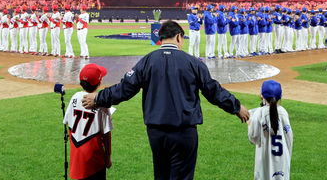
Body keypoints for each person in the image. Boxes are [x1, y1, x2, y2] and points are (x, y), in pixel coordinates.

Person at [82, 20, 249, 180]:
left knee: (161, 176)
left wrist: (98, 97)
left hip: (157, 132)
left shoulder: (147, 61)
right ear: (178, 37)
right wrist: (236, 107)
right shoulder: (193, 62)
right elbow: (213, 90)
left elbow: (124, 89)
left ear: (160, 38)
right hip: (184, 132)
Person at [64, 63, 113, 180]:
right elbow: (107, 135)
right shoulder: (102, 103)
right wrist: (108, 157)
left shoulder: (75, 97)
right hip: (94, 158)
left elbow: (67, 122)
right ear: (100, 83)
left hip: (76, 155)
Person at [248, 80, 293, 180]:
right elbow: (289, 139)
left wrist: (249, 124)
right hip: (282, 163)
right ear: (280, 97)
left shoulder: (259, 113)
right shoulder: (283, 112)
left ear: (262, 96)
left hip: (264, 163)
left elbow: (253, 139)